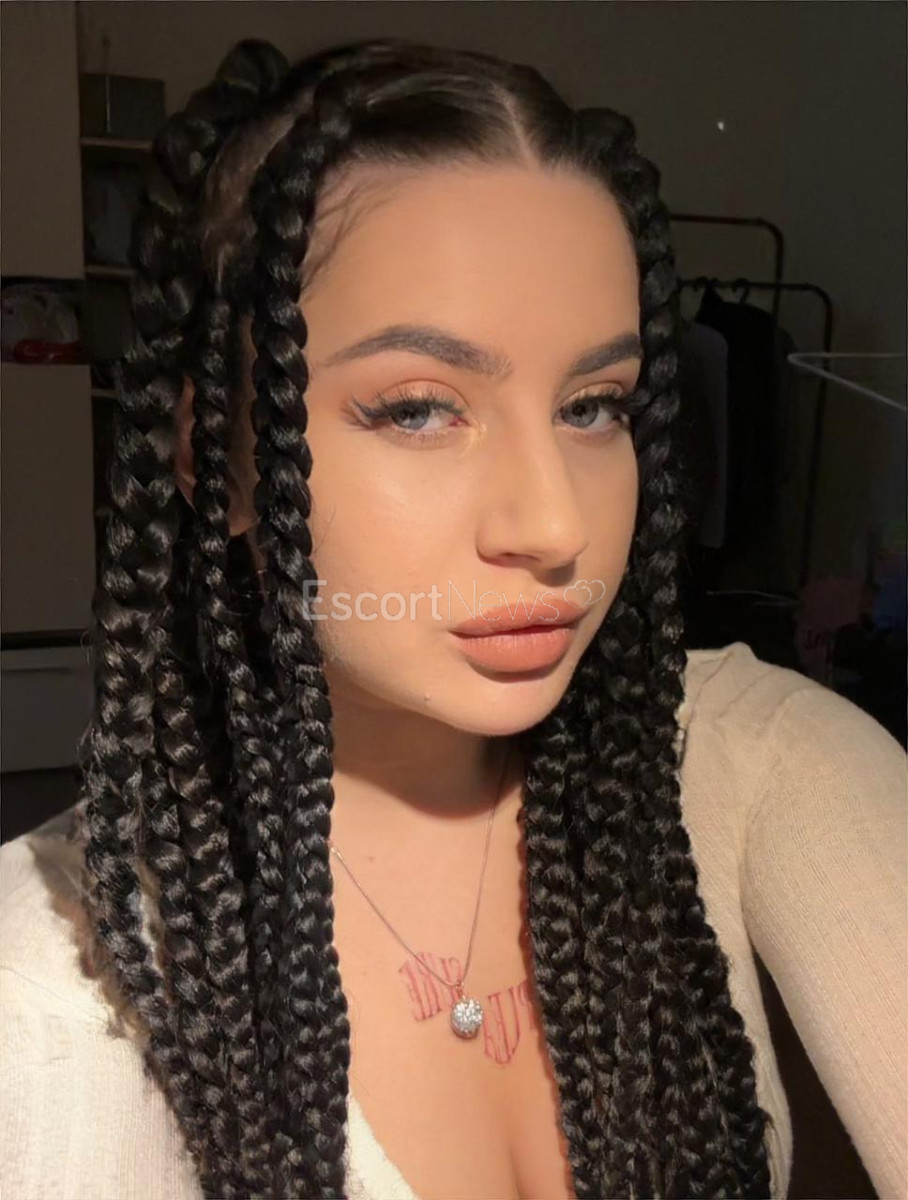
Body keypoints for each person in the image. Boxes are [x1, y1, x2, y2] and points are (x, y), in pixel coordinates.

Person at [0, 35, 904, 1200]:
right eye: (420, 410)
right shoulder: (53, 987)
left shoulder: (748, 757)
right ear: (211, 456)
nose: (553, 525)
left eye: (593, 405)